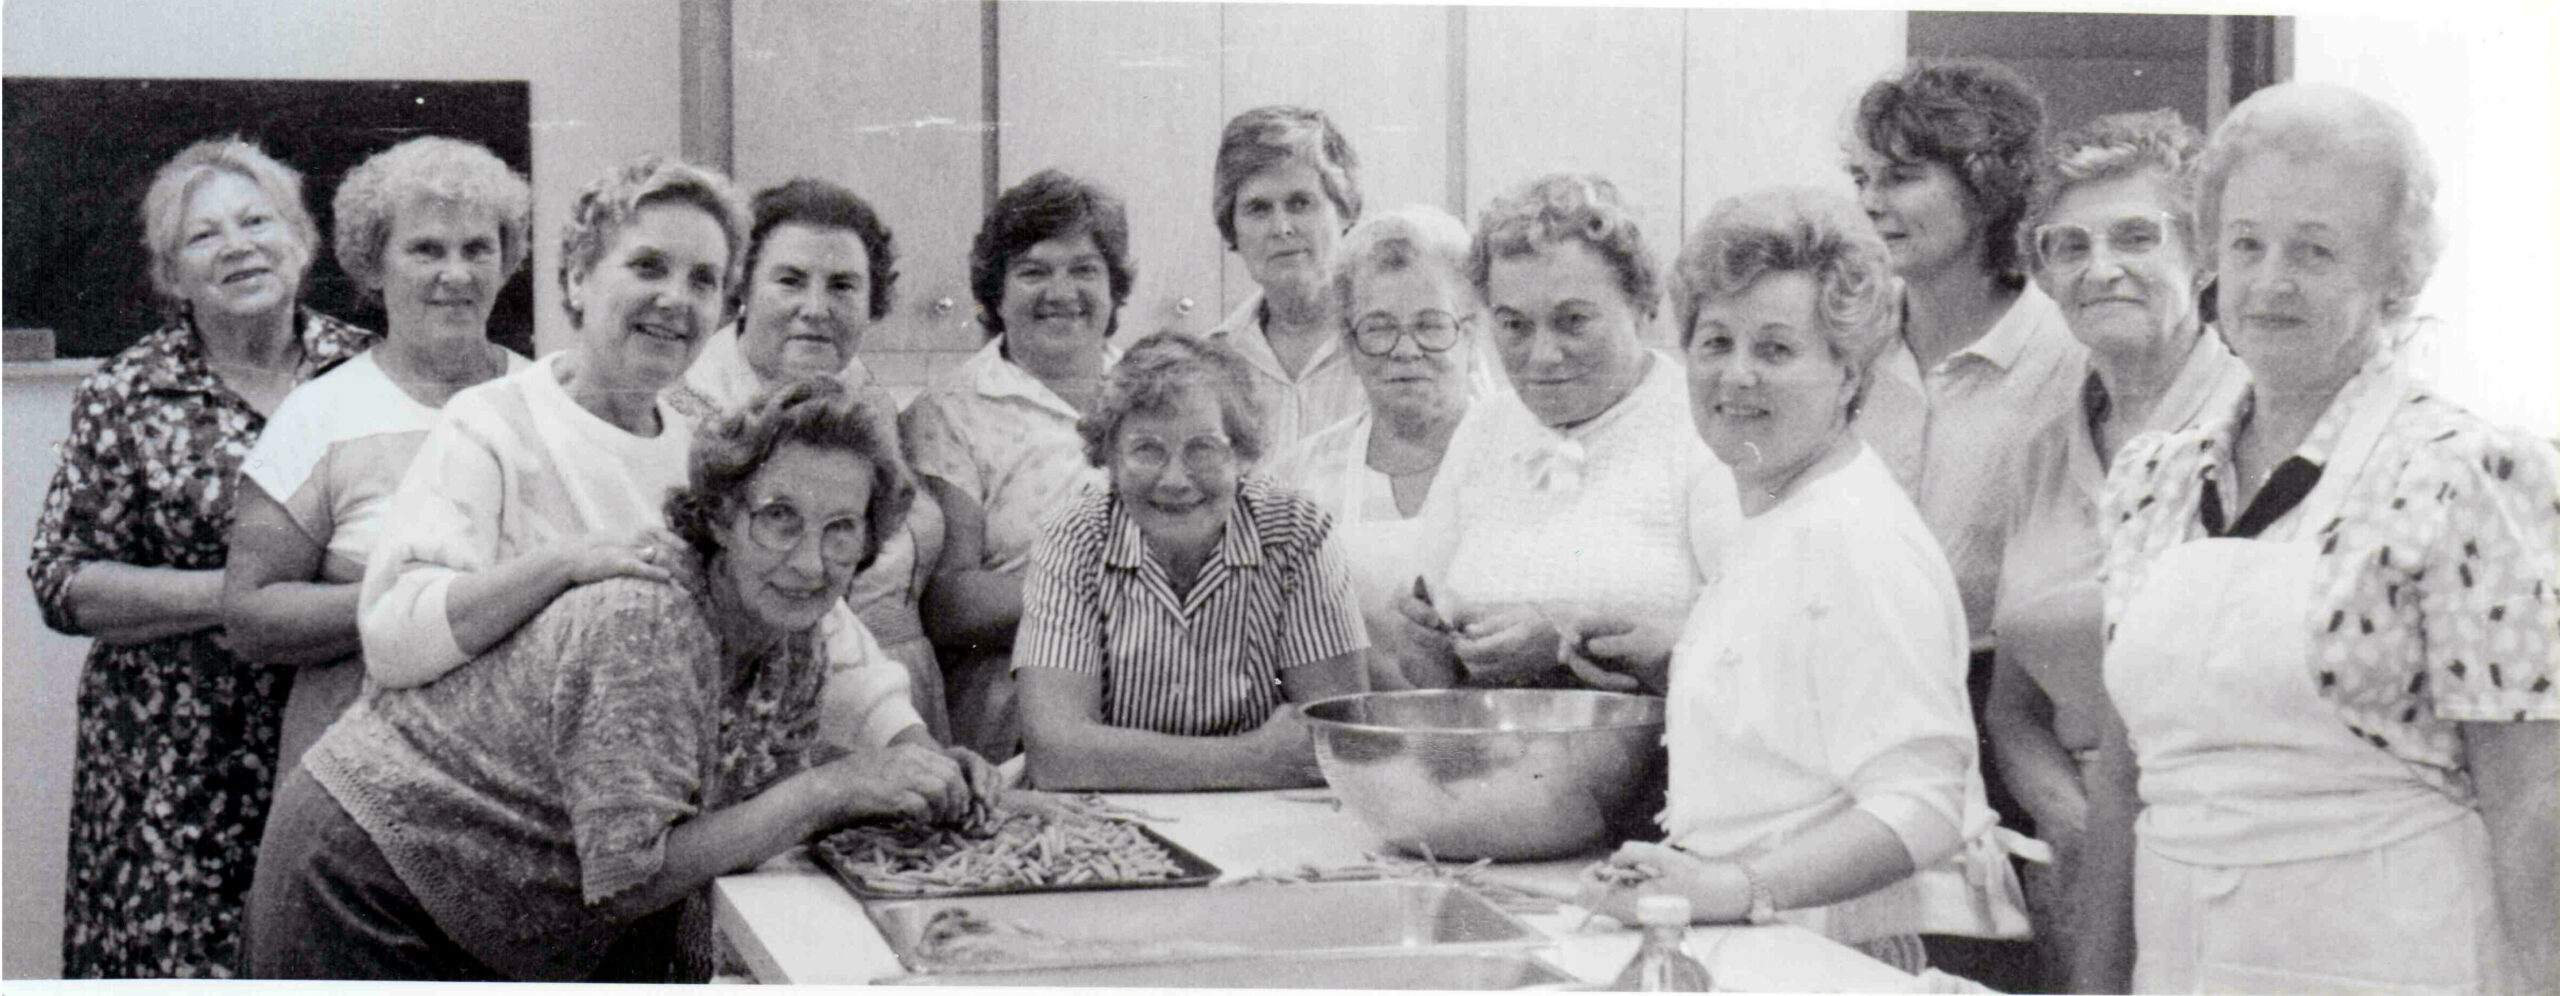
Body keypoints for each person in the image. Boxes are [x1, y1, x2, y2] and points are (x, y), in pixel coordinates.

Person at [246, 379, 987, 981]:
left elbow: (723, 837)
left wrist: (901, 780)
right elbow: (631, 881)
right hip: (366, 879)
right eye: (779, 518)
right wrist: (834, 789)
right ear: (723, 514)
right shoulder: (651, 621)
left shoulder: (795, 646)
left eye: (840, 529)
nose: (808, 561)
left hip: (486, 904)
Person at [2075, 82, 2558, 994]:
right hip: (2184, 964)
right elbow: (2123, 781)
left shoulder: (2466, 474)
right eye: (2246, 244)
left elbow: (2536, 805)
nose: (2270, 281)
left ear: (2395, 276)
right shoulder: (2152, 481)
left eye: (2316, 250)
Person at [1579, 186, 2030, 975]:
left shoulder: (1852, 535)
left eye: (1777, 349)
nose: (1736, 376)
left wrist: (1732, 883)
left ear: (1850, 373)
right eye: (1715, 342)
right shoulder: (1774, 513)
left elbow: (1922, 805)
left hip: (1877, 944)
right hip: (1786, 935)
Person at [355, 155, 941, 758]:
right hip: (489, 792)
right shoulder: (492, 423)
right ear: (580, 278)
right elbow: (395, 634)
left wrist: (908, 741)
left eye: (703, 280)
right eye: (648, 267)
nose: (675, 299)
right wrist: (564, 563)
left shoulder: (706, 443)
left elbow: (807, 618)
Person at [25, 136, 376, 978]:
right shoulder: (126, 391)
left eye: (257, 221)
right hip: (170, 775)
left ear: (303, 238)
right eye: (205, 236)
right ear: (172, 275)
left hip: (344, 746)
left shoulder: (370, 371)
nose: (240, 246)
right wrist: (246, 598)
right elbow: (64, 580)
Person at [1977, 110, 2249, 989]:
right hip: (2073, 865)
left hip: (2226, 860)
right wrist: (2074, 821)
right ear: (2045, 275)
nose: (2102, 268)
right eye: (2069, 245)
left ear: (2203, 255)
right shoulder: (2040, 455)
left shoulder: (2260, 426)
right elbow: (2014, 704)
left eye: (2138, 235)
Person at [224, 136, 534, 783]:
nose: (457, 273)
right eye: (426, 249)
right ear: (372, 265)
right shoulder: (319, 416)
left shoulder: (545, 402)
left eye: (478, 248)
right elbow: (250, 617)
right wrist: (432, 604)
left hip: (519, 789)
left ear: (507, 261)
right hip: (356, 789)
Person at [1386, 173, 1736, 691]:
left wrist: (1563, 647)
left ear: (1644, 308)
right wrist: (1424, 637)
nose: (1542, 356)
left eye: (1573, 321)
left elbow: (1752, 642)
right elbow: (1431, 665)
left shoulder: (1705, 426)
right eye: (1514, 325)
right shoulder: (1484, 430)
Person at [1013, 332, 1368, 790]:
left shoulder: (1295, 531)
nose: (1175, 480)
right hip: (1114, 820)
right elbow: (1056, 756)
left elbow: (1336, 738)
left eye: (1203, 448)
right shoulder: (1075, 536)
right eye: (1146, 450)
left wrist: (1113, 756)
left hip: (1264, 820)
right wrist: (1254, 758)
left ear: (1242, 454)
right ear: (1109, 459)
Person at [668, 177, 952, 741]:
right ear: (743, 288)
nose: (815, 309)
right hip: (777, 709)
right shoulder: (686, 412)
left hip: (901, 694)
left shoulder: (866, 398)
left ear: (874, 304)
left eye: (843, 285)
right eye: (790, 280)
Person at [1843, 58, 2086, 669]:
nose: (1870, 201)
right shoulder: (1845, 344)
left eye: (1900, 177)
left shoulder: (2070, 356)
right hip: (1847, 678)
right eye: (1860, 178)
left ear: (1987, 188)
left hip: (2001, 693)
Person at [904, 169, 1128, 759]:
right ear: (995, 294)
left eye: (1084, 269)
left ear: (1114, 288)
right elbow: (949, 604)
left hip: (1168, 703)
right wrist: (1122, 591)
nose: (1062, 292)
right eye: (1033, 271)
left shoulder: (1161, 388)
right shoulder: (949, 411)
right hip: (1016, 721)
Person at [1263, 205, 1496, 690]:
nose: (1405, 350)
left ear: (1470, 333)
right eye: (1379, 328)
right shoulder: (1296, 479)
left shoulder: (1521, 457)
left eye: (1431, 325)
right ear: (1349, 341)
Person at [1202, 105, 1368, 453]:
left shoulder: (1398, 345)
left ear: (1345, 211)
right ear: (1232, 226)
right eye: (1258, 209)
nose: (1281, 228)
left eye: (1300, 203)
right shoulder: (1207, 363)